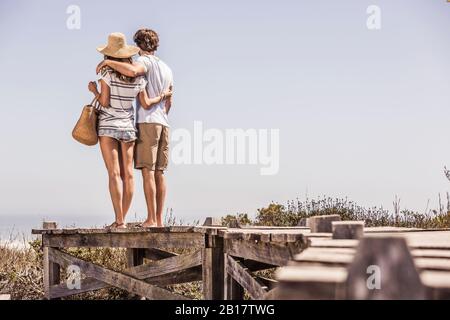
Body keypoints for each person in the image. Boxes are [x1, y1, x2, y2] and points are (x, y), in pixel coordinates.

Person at [89, 32, 172, 229]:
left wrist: (94, 91)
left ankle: (120, 220)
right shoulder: (143, 78)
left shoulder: (108, 74)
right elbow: (154, 101)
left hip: (109, 126)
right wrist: (163, 99)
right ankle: (142, 219)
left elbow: (105, 101)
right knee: (130, 175)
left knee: (114, 174)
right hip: (129, 127)